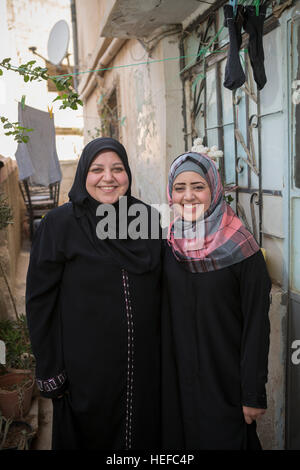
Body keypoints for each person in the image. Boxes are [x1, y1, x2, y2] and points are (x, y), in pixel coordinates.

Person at [26, 137, 162, 450]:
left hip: (144, 372)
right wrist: (50, 370)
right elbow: (39, 303)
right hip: (84, 374)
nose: (108, 177)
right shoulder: (59, 226)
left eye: (117, 169)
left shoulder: (147, 219)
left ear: (127, 173)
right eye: (97, 169)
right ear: (84, 173)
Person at [162, 151, 271, 450]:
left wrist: (252, 394)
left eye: (198, 186)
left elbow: (256, 328)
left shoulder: (243, 251)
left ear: (215, 188)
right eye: (179, 188)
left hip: (225, 384)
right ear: (170, 194)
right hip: (178, 384)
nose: (188, 196)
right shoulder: (168, 245)